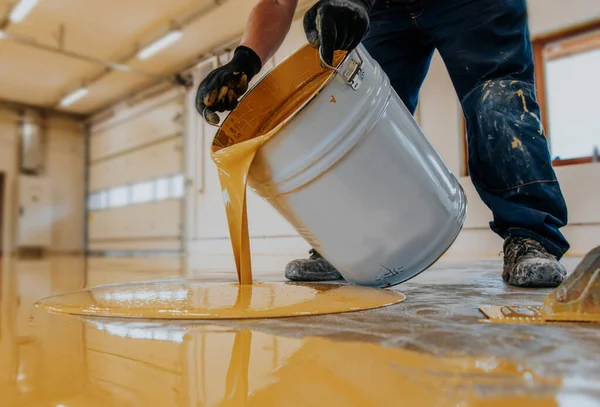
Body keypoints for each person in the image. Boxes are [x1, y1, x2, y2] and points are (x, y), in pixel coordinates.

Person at [195, 0, 570, 288]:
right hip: (386, 9)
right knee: (345, 106)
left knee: (496, 96)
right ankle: (346, 247)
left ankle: (530, 236)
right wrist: (245, 59)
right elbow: (277, 2)